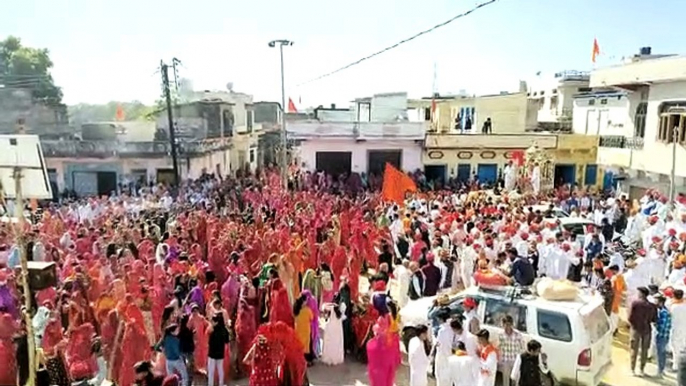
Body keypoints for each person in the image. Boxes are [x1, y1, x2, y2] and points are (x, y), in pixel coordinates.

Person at [628, 286, 656, 376]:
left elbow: (630, 317)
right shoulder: (652, 306)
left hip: (636, 328)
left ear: (642, 294)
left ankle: (632, 369)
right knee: (644, 350)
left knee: (634, 349)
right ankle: (641, 369)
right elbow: (654, 319)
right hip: (647, 329)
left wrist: (633, 325)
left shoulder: (635, 303)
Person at [497, 315, 525, 386]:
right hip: (505, 360)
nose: (507, 327)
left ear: (512, 324)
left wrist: (520, 358)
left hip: (515, 360)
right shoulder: (500, 334)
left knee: (515, 379)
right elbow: (498, 346)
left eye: (509, 324)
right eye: (505, 324)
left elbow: (522, 346)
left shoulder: (517, 334)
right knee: (506, 379)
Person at [206, 314, 229, 386]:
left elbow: (209, 342)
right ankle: (221, 384)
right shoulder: (224, 330)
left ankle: (210, 384)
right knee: (220, 370)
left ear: (216, 322)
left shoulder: (212, 330)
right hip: (220, 353)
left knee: (211, 371)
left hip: (212, 354)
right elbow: (226, 341)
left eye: (212, 321)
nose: (211, 322)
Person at [433, 315, 455, 386]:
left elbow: (438, 343)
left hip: (441, 355)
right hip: (450, 355)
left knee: (440, 375)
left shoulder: (441, 331)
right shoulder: (452, 329)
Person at [654, 294, 671, 378]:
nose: (655, 302)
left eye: (656, 300)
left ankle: (660, 371)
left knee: (660, 353)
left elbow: (662, 326)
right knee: (662, 353)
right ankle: (661, 370)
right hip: (664, 336)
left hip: (662, 335)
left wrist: (655, 324)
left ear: (660, 302)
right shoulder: (665, 311)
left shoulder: (663, 312)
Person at [671, 289, 686, 372]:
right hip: (684, 328)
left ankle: (676, 365)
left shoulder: (673, 307)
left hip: (676, 329)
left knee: (676, 348)